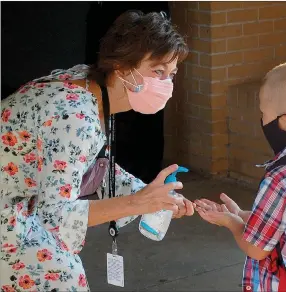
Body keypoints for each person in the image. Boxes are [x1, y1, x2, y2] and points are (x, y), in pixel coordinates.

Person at [0, 11, 194, 291]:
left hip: (17, 200)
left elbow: (89, 166)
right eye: (157, 71)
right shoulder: (76, 116)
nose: (166, 84)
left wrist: (151, 196)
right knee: (62, 278)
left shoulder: (90, 85)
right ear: (122, 66)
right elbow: (57, 215)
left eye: (171, 74)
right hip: (12, 205)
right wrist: (138, 202)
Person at [195, 58, 286, 292]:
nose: (262, 120)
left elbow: (256, 248)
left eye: (264, 114)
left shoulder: (281, 179)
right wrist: (242, 214)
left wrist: (232, 223)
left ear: (285, 123)